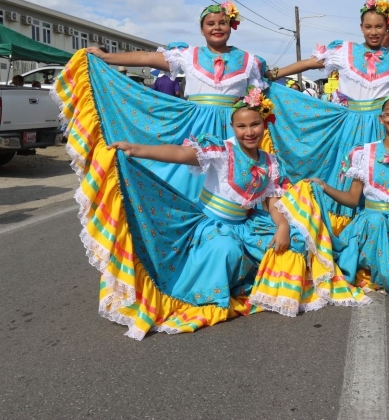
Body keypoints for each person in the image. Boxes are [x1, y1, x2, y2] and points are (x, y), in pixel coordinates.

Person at [71, 88, 369, 340]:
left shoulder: (270, 162)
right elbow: (178, 153)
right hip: (210, 224)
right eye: (241, 126)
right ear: (233, 127)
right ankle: (206, 293)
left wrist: (280, 227)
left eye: (255, 125)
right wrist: (136, 149)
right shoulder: (221, 150)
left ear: (265, 125)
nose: (248, 131)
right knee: (224, 250)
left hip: (246, 224)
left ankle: (260, 282)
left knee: (293, 243)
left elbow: (273, 202)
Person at [68, 1, 271, 200]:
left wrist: (304, 64)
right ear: (202, 29)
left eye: (222, 23)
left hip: (235, 129)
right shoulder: (187, 55)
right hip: (197, 127)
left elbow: (270, 83)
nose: (217, 27)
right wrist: (108, 57)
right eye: (210, 23)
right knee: (188, 181)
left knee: (235, 183)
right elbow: (147, 57)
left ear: (231, 26)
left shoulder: (249, 60)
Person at [261, 0, 389, 217]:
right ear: (361, 28)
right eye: (368, 27)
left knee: (383, 172)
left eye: (379, 26)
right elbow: (311, 63)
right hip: (351, 125)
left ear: (387, 27)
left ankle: (386, 217)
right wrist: (275, 74)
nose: (373, 32)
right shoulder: (345, 51)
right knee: (349, 172)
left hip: (384, 126)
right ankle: (348, 222)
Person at [278, 94, 389, 296]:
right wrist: (324, 187)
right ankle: (370, 266)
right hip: (370, 224)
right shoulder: (364, 154)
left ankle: (383, 268)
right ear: (380, 119)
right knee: (375, 222)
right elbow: (353, 200)